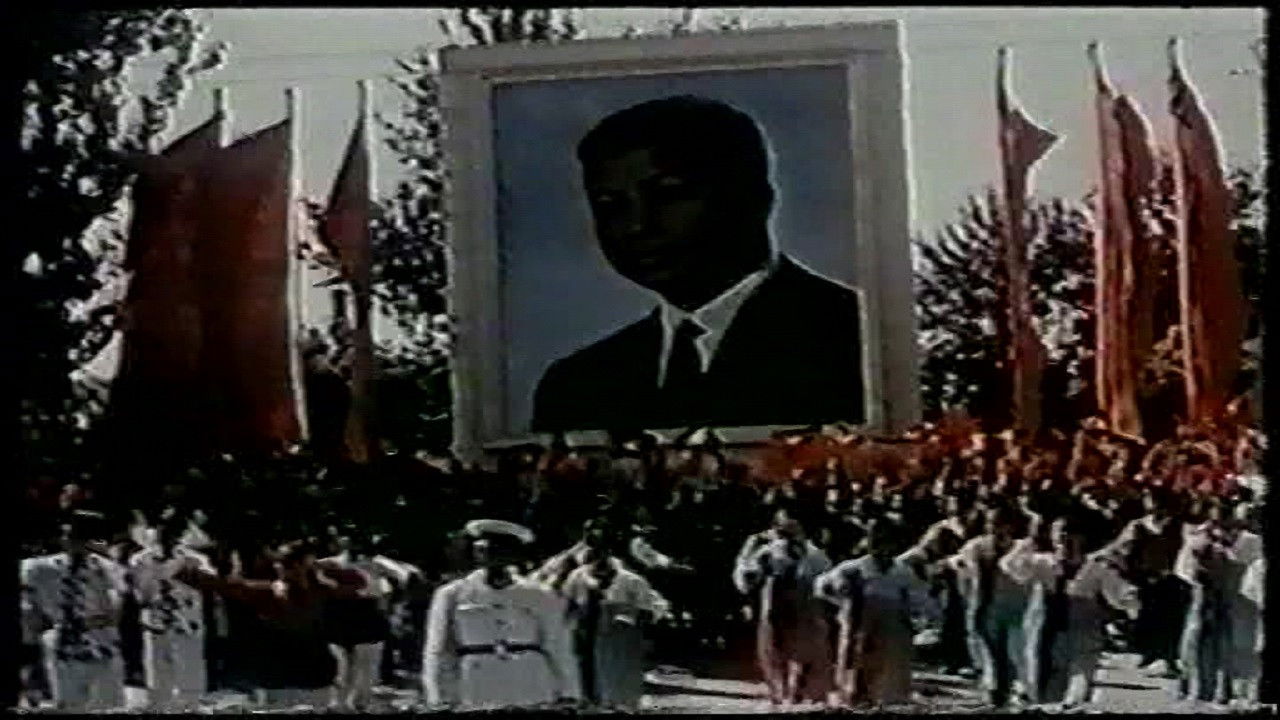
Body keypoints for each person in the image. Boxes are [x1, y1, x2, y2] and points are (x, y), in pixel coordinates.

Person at [531, 95, 865, 433]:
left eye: (668, 194)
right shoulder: (577, 384)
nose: (637, 225)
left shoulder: (855, 340)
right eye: (610, 205)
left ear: (756, 196)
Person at [176, 539, 371, 709]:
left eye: (284, 564)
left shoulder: (305, 591)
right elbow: (228, 586)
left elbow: (227, 586)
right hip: (299, 679)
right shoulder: (315, 590)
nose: (279, 568)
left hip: (297, 679)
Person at [422, 519, 581, 709]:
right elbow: (438, 650)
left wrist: (569, 692)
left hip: (529, 683)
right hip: (476, 687)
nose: (489, 554)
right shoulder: (452, 594)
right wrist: (438, 696)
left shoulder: (540, 595)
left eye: (499, 549)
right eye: (482, 548)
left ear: (514, 554)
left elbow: (559, 645)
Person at [1001, 514, 1141, 708]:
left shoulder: (1096, 567)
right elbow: (1010, 566)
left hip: (1082, 632)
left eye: (1070, 535)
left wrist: (1132, 605)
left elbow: (1120, 593)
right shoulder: (1042, 564)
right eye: (1060, 535)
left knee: (1078, 687)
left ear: (1081, 538)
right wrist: (1028, 542)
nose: (1065, 540)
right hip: (1047, 634)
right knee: (1045, 686)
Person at [19, 510, 128, 711]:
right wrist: (30, 659)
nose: (70, 540)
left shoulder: (108, 570)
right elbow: (29, 613)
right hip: (62, 648)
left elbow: (115, 611)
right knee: (69, 706)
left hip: (102, 646)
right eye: (68, 534)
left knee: (106, 707)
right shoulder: (39, 568)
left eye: (79, 536)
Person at [815, 517, 930, 706]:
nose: (881, 547)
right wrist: (843, 600)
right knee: (857, 676)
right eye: (875, 540)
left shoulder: (902, 572)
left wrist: (917, 621)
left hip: (892, 632)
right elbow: (822, 587)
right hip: (859, 630)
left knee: (889, 680)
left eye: (886, 541)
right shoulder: (852, 569)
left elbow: (919, 602)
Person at [561, 521, 670, 709]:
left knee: (616, 692)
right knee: (586, 690)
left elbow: (650, 611)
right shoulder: (577, 577)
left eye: (602, 550)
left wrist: (624, 616)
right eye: (593, 548)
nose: (596, 555)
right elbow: (566, 607)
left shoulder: (631, 581)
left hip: (616, 643)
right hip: (585, 639)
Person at [732, 508, 834, 705]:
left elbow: (827, 582)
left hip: (804, 607)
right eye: (783, 528)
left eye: (793, 526)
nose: (788, 533)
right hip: (775, 607)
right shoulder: (768, 552)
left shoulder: (815, 555)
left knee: (802, 652)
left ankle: (794, 691)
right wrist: (748, 552)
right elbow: (746, 579)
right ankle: (780, 693)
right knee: (774, 650)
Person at [318, 529, 422, 710]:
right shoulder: (331, 564)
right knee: (341, 662)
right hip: (339, 612)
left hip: (367, 611)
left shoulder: (378, 562)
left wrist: (395, 602)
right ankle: (338, 703)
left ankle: (359, 702)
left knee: (366, 662)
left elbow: (407, 576)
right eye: (349, 539)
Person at [128, 510, 216, 711]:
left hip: (187, 626)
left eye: (175, 531)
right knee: (158, 685)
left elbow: (210, 584)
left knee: (190, 686)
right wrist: (157, 572)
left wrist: (190, 570)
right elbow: (141, 596)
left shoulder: (195, 559)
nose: (168, 535)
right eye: (164, 529)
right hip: (156, 627)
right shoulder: (141, 560)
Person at [945, 504, 1030, 707]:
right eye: (991, 523)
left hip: (1013, 610)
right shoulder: (975, 546)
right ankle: (995, 693)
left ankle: (1004, 692)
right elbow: (958, 565)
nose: (994, 528)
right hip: (982, 608)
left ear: (1010, 526)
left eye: (999, 523)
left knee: (1009, 656)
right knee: (989, 655)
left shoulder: (1021, 549)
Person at [1114, 486, 1187, 678]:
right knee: (1147, 618)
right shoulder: (1137, 525)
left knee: (1171, 620)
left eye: (1152, 499)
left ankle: (1168, 658)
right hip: (1144, 579)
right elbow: (1122, 549)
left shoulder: (1176, 526)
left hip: (1171, 579)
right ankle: (1151, 655)